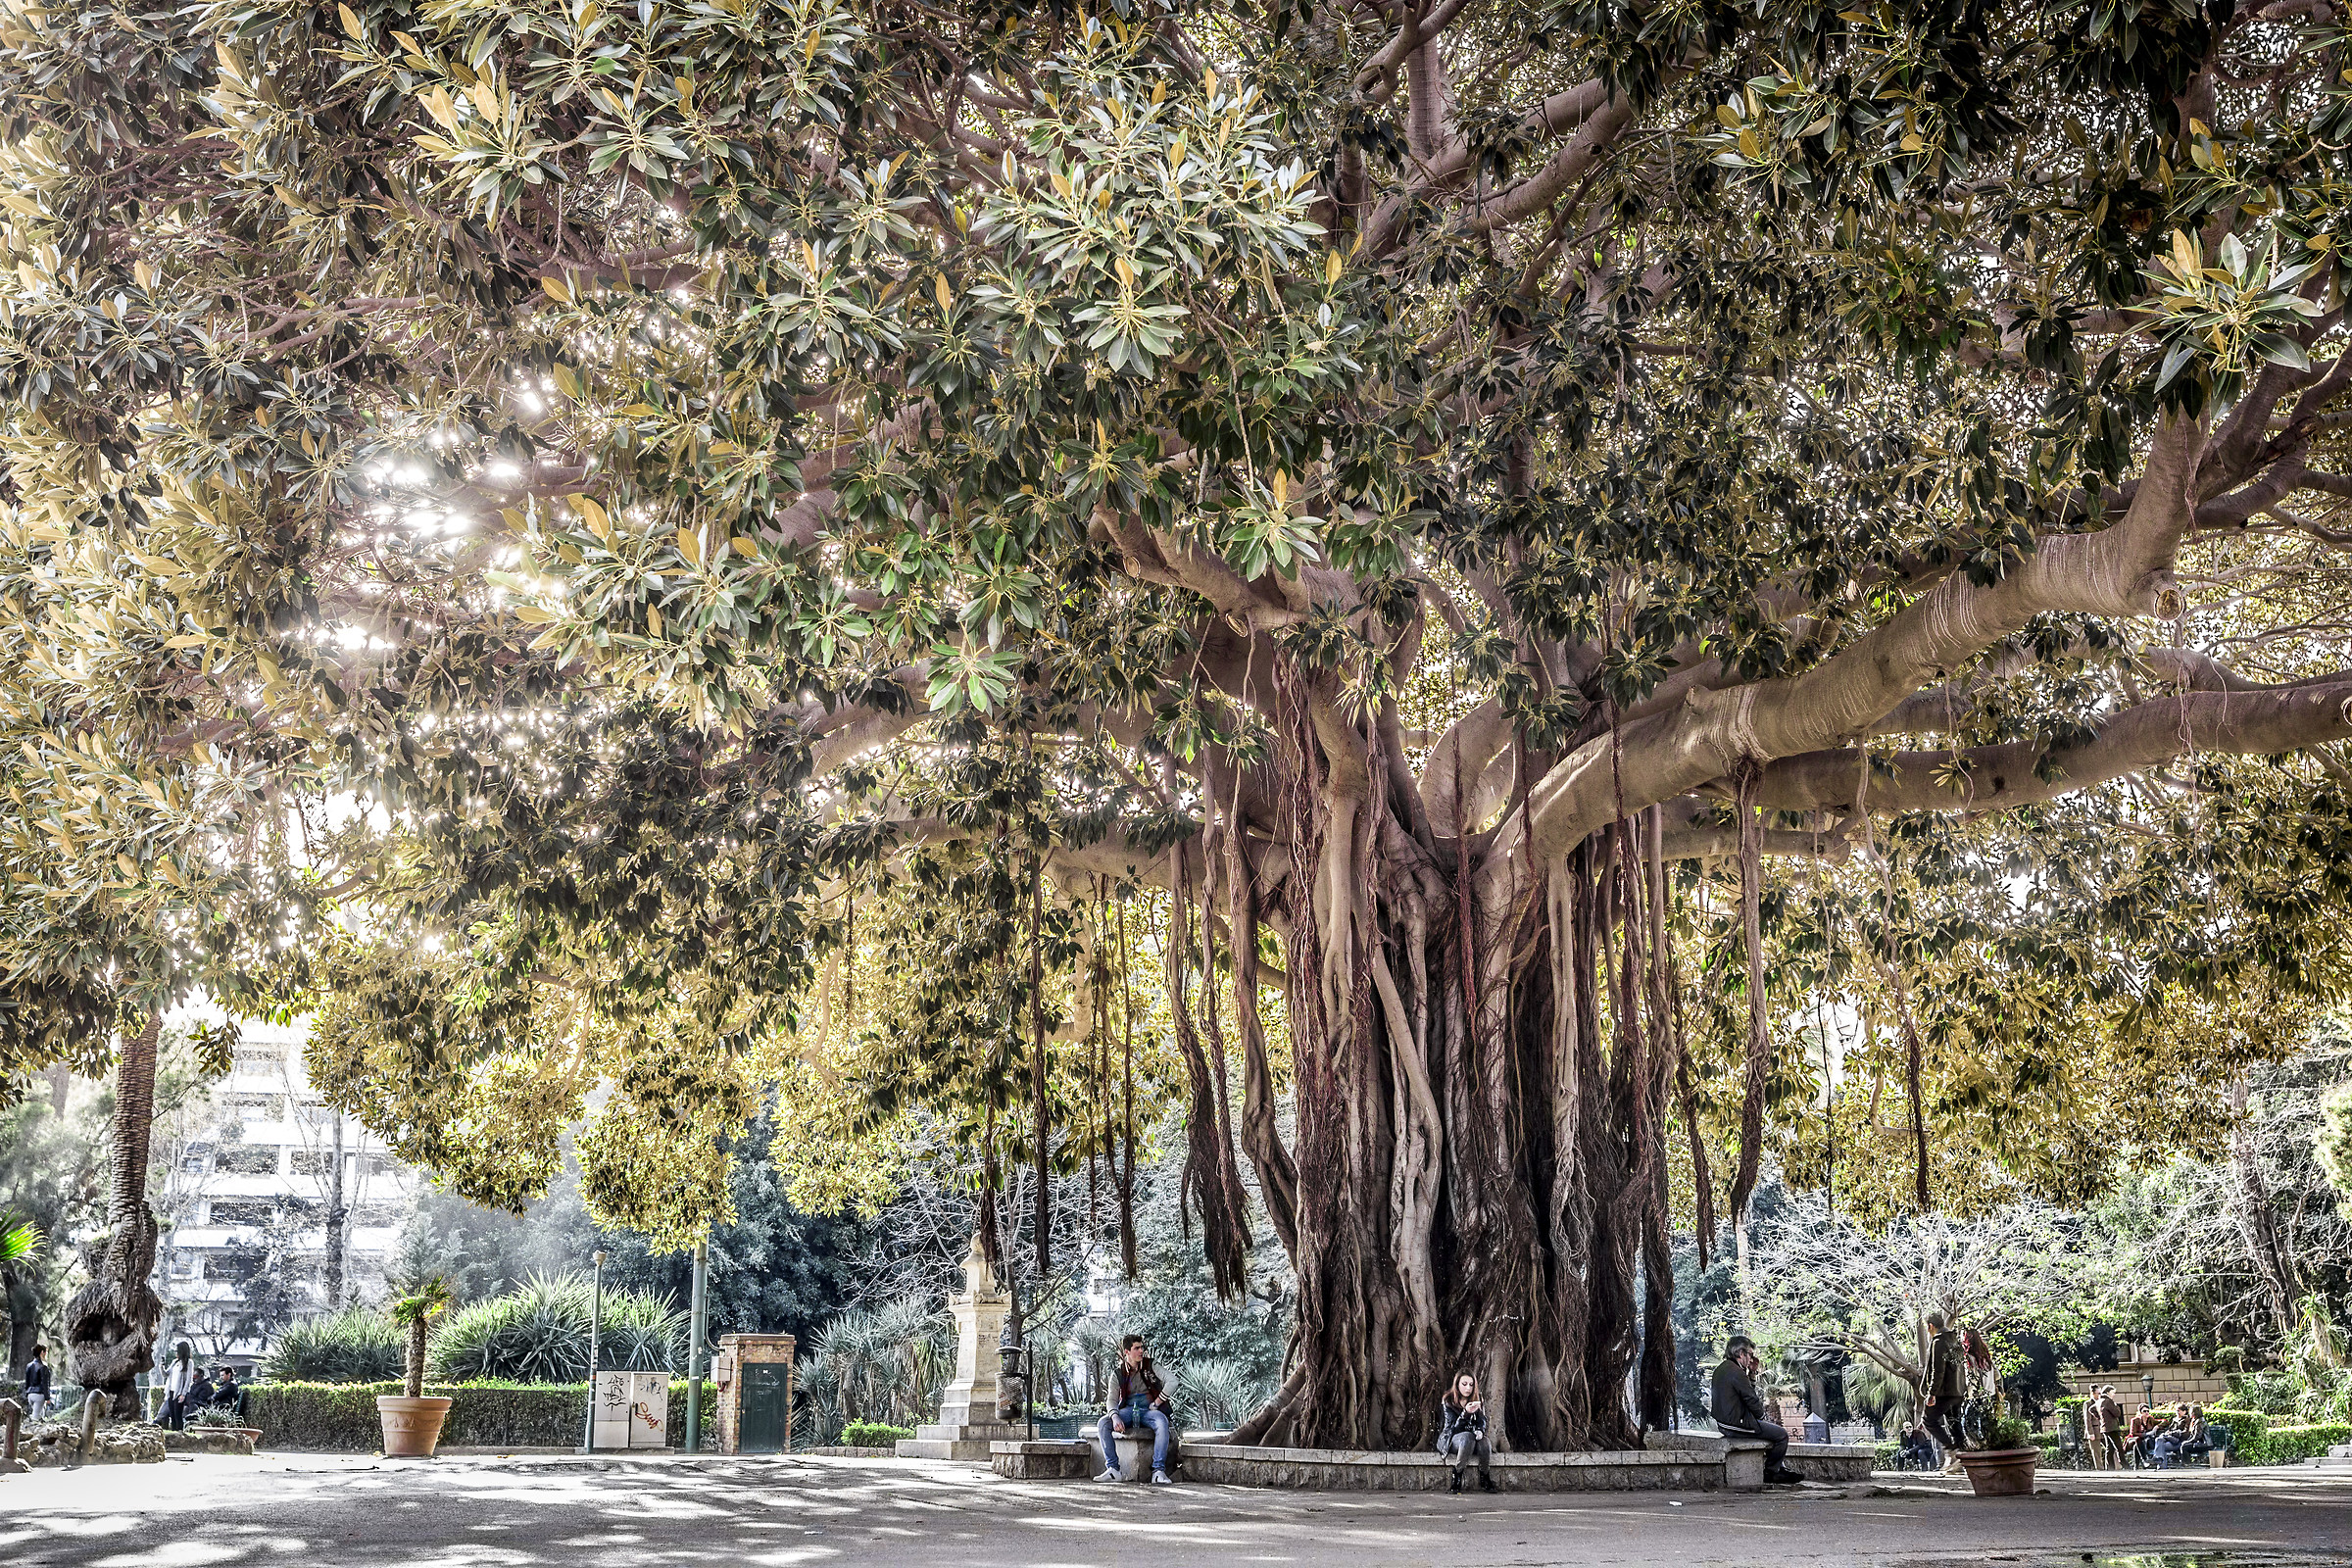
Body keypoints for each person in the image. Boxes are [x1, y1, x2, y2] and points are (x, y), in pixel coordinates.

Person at [1710, 1335, 1801, 1485]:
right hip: (1737, 1425)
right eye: (1750, 1355)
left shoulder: (1721, 1369)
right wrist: (1760, 1416)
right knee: (1781, 1435)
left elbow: (1745, 1394)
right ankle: (1771, 1472)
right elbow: (1752, 1401)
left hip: (1724, 1424)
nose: (1752, 1359)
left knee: (1769, 1430)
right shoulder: (1737, 1373)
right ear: (1741, 1353)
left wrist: (1752, 1374)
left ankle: (1780, 1469)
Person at [1094, 1335, 1175, 1486]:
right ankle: (1113, 1470)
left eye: (1141, 1347)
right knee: (1103, 1423)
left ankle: (1158, 1471)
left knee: (1162, 1421)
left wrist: (1157, 1402)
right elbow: (1111, 1399)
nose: (1141, 1351)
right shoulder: (1118, 1373)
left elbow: (1173, 1381)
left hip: (1149, 1411)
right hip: (1128, 1411)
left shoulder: (1151, 1366)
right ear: (1127, 1352)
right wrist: (1115, 1417)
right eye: (1136, 1348)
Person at [1436, 1373, 1495, 1494]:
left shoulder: (1477, 1398)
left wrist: (1480, 1430)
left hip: (1472, 1439)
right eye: (1464, 1384)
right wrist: (1465, 1413)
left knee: (1485, 1442)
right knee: (1467, 1437)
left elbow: (1481, 1420)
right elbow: (1453, 1428)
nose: (1468, 1388)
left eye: (1471, 1385)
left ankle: (1484, 1475)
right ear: (1457, 1384)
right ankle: (1457, 1475)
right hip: (1452, 1439)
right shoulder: (1448, 1400)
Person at [1922, 1313, 1968, 1465]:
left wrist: (1931, 1393)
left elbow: (1938, 1370)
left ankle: (1951, 1451)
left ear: (1930, 1326)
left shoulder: (1938, 1342)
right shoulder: (1955, 1340)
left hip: (1944, 1392)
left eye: (1927, 1328)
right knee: (1954, 1424)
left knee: (1928, 1419)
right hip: (1958, 1391)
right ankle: (1962, 1458)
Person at [161, 1342, 197, 1431]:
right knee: (172, 1415)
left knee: (178, 1415)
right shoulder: (175, 1362)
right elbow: (166, 1374)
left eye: (177, 1351)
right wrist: (161, 1366)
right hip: (171, 1391)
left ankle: (179, 1433)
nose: (176, 1353)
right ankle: (173, 1433)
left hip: (179, 1392)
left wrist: (183, 1394)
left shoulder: (189, 1363)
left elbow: (188, 1380)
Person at [2093, 1386, 2125, 1470]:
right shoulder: (2108, 1401)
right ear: (2107, 1392)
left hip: (2105, 1428)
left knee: (2109, 1448)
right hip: (2112, 1427)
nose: (2114, 1394)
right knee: (2119, 1447)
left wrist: (2100, 1418)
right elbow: (2117, 1413)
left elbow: (2091, 1409)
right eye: (2112, 1392)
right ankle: (2125, 1465)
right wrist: (2116, 1406)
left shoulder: (2099, 1401)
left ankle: (2110, 1467)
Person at [21, 1343, 53, 1422]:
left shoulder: (29, 1365)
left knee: (39, 1415)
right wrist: (47, 1398)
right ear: (42, 1352)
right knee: (36, 1417)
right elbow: (45, 1384)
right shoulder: (43, 1367)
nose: (46, 1354)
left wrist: (27, 1393)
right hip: (39, 1395)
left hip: (30, 1395)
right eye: (46, 1352)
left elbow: (27, 1382)